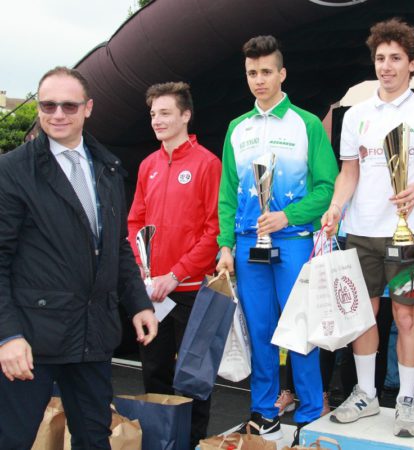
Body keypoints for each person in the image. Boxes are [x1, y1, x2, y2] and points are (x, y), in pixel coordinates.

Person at [0, 66, 158, 450]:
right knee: (14, 440)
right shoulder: (13, 171)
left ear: (88, 108)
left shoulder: (108, 168)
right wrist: (7, 336)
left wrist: (138, 303)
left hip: (92, 335)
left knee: (94, 438)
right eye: (48, 105)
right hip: (32, 340)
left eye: (68, 106)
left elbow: (117, 245)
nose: (57, 114)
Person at [322, 17, 414, 437]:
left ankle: (407, 400)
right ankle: (365, 393)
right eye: (380, 58)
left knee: (406, 315)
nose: (386, 66)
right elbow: (349, 172)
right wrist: (336, 207)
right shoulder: (356, 115)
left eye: (396, 58)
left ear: (412, 63)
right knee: (363, 315)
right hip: (361, 231)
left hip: (409, 231)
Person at [216, 35, 338, 444]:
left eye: (266, 71)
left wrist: (288, 215)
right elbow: (227, 194)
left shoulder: (306, 124)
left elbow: (327, 187)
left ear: (282, 74)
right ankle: (264, 411)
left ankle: (309, 412)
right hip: (248, 244)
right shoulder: (237, 128)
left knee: (299, 330)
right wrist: (225, 245)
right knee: (260, 329)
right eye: (252, 72)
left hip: (293, 240)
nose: (259, 79)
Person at [127, 82, 221, 447]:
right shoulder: (147, 165)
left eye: (165, 113)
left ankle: (192, 442)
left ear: (185, 115)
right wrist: (141, 265)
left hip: (192, 290)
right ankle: (159, 441)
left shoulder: (207, 164)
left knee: (193, 377)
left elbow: (213, 230)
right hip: (152, 293)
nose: (157, 120)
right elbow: (135, 222)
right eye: (153, 114)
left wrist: (176, 273)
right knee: (154, 371)